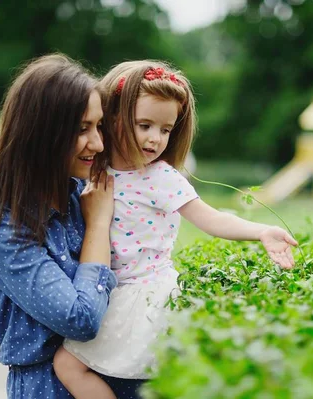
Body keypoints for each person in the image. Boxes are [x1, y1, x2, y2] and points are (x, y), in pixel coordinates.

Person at [53, 60, 298, 398]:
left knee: (72, 365)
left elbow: (210, 218)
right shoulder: (93, 168)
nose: (155, 139)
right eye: (144, 125)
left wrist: (260, 231)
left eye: (165, 130)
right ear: (113, 118)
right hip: (107, 293)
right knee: (71, 366)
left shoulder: (160, 177)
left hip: (143, 295)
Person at [0, 54, 144, 399]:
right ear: (41, 135)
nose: (99, 143)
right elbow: (80, 319)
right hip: (52, 387)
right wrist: (98, 225)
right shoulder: (6, 227)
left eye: (99, 126)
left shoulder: (81, 193)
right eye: (81, 129)